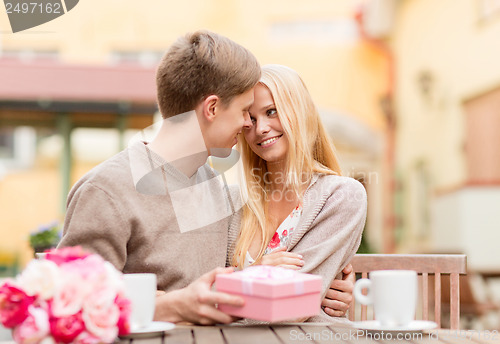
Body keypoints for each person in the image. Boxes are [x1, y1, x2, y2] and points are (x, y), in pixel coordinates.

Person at [58, 30, 353, 325]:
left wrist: (316, 288)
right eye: (244, 112)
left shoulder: (214, 186)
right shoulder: (107, 190)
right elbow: (71, 304)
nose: (249, 125)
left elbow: (216, 283)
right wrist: (165, 307)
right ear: (212, 108)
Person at [228, 64, 367, 322]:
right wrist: (255, 276)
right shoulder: (236, 203)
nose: (260, 129)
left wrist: (237, 289)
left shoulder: (342, 196)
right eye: (251, 120)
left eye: (272, 112)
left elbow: (293, 309)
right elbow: (201, 291)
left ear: (300, 112)